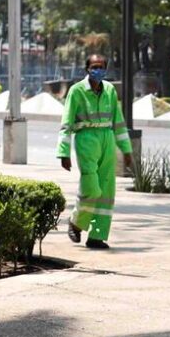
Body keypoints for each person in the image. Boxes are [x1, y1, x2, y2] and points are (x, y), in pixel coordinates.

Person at [58, 53, 132, 250]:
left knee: (106, 190)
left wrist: (126, 150)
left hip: (107, 138)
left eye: (101, 67)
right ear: (87, 69)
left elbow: (119, 121)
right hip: (86, 139)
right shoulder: (77, 91)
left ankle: (97, 235)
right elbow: (66, 123)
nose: (97, 70)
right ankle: (76, 222)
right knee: (91, 187)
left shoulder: (109, 90)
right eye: (94, 67)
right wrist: (63, 152)